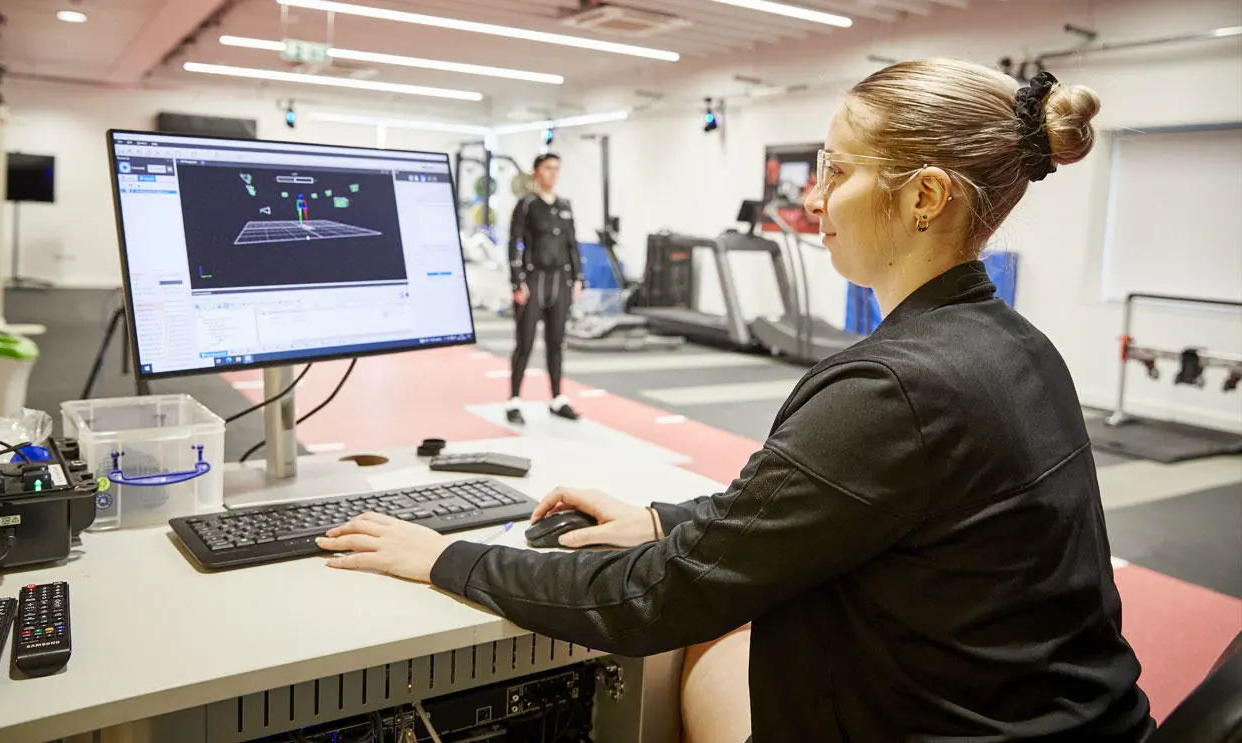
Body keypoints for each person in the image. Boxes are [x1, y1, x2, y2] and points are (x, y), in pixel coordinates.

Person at [315, 59, 1156, 743]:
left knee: (712, 630)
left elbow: (655, 598)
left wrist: (442, 558)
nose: (814, 199)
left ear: (926, 196)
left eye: (838, 171)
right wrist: (656, 517)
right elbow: (828, 508)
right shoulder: (1017, 346)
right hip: (1082, 722)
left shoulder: (891, 386)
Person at [504, 152, 584, 424]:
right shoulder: (526, 205)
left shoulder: (565, 205)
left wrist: (578, 279)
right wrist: (517, 281)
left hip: (559, 282)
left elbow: (572, 244)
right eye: (548, 168)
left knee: (556, 342)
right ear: (536, 172)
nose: (553, 173)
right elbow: (514, 242)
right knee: (524, 342)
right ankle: (514, 399)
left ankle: (557, 398)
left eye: (556, 169)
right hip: (533, 280)